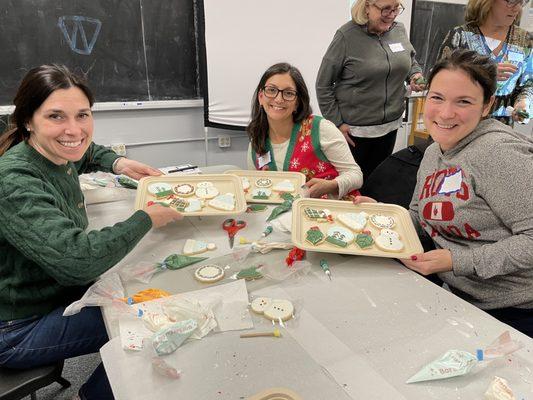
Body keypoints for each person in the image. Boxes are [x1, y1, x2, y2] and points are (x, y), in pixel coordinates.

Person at [0, 64, 183, 399]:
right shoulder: (14, 180)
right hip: (16, 329)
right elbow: (77, 261)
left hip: (53, 293)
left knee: (151, 287)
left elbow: (84, 152)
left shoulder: (52, 151)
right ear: (28, 121)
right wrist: (147, 218)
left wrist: (119, 163)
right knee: (154, 320)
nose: (74, 129)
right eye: (56, 116)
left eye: (82, 115)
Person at [355, 49, 533, 337]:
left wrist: (456, 261)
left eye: (463, 101)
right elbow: (421, 217)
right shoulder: (435, 151)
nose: (446, 113)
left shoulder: (500, 154)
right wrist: (383, 214)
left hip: (513, 314)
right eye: (437, 98)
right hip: (457, 298)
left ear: (487, 105)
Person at [316, 0, 425, 180]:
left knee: (377, 183)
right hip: (355, 133)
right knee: (354, 186)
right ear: (367, 7)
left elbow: (410, 60)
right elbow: (323, 85)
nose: (391, 14)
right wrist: (337, 123)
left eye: (396, 9)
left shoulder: (399, 29)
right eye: (385, 9)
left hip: (390, 126)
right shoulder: (346, 36)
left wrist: (414, 75)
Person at [247, 62, 363, 199]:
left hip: (334, 212)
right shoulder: (256, 144)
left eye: (288, 93)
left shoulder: (320, 128)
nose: (278, 99)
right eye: (271, 90)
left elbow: (355, 174)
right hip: (286, 217)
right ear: (261, 97)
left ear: (297, 102)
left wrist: (333, 185)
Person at [437, 0, 532, 126]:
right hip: (458, 125)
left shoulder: (525, 41)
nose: (517, 8)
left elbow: (528, 83)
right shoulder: (460, 36)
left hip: (501, 131)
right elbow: (439, 81)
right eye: (511, 1)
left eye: (521, 2)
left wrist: (523, 103)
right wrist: (481, 74)